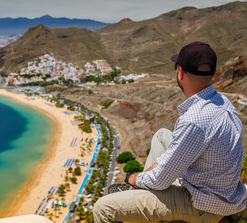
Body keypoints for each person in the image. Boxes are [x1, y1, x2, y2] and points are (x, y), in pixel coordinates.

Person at [93, 41, 247, 223]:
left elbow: (160, 181)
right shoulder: (223, 102)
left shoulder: (194, 120)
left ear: (180, 72)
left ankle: (139, 191)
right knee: (162, 135)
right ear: (213, 74)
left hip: (201, 204)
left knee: (103, 208)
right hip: (220, 191)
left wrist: (133, 179)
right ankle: (142, 191)